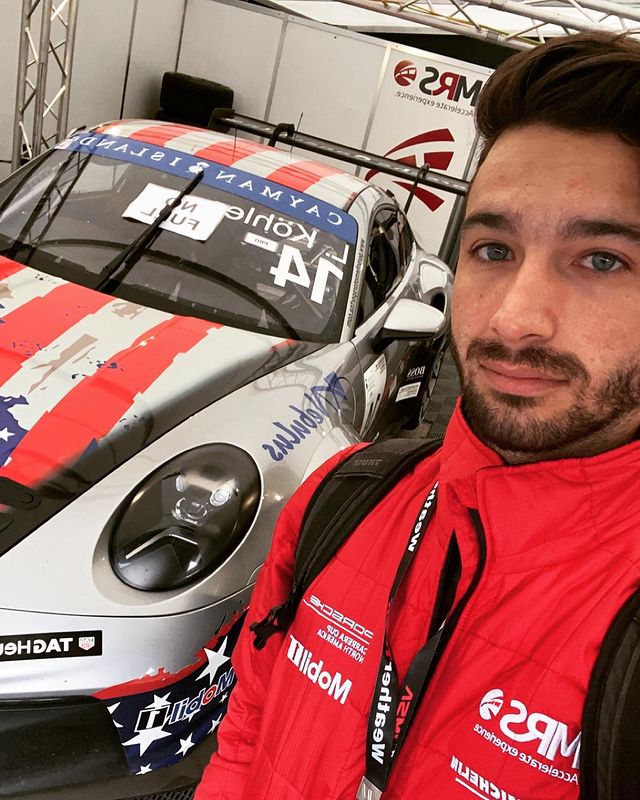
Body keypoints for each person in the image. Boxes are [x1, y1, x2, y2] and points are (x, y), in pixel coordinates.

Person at [195, 31, 640, 799]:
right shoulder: (345, 496)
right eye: (493, 249)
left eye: (601, 260)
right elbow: (248, 727)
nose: (512, 319)